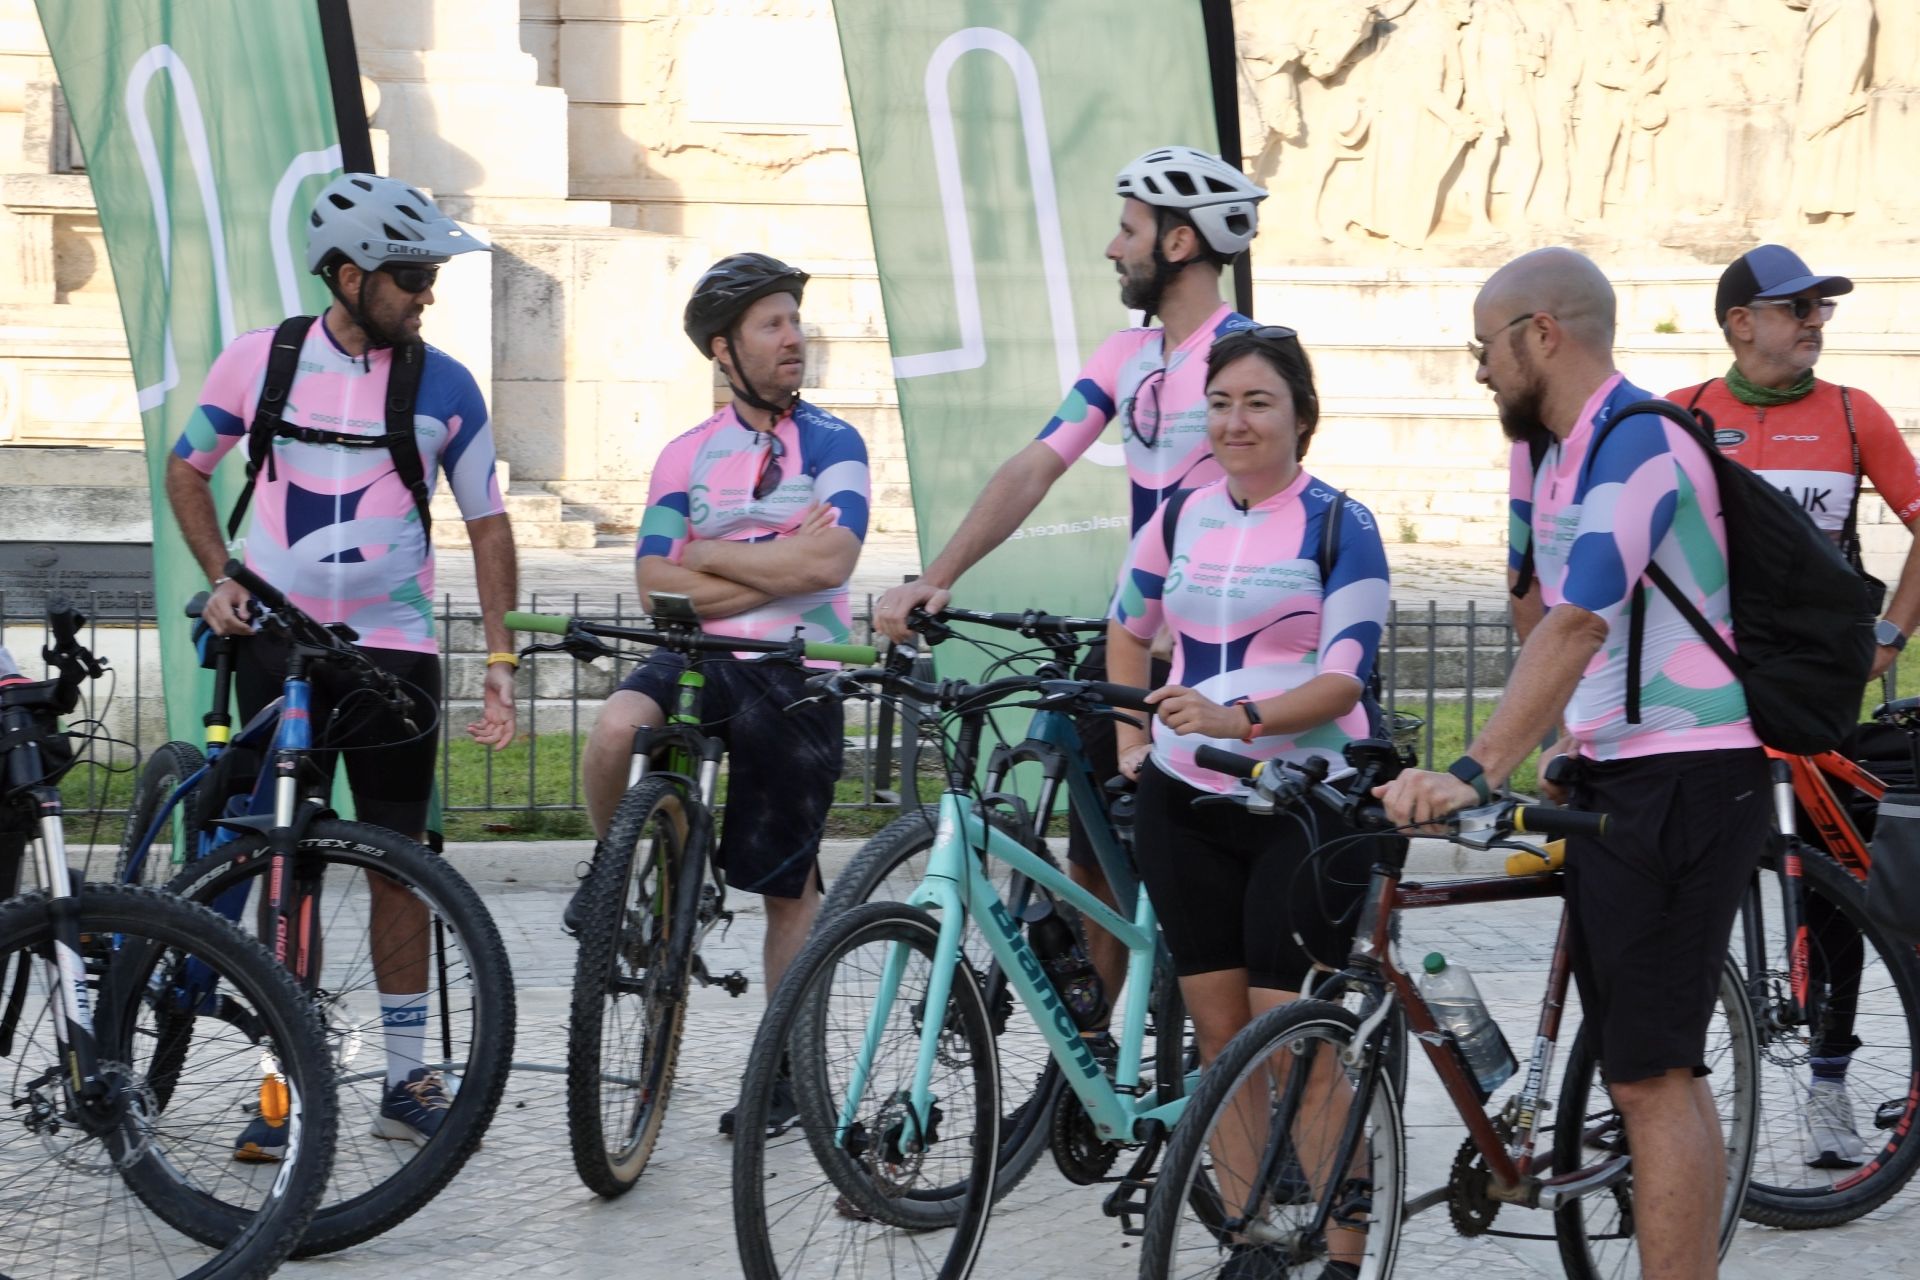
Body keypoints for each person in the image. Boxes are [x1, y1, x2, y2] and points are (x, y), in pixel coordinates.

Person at [1382, 247, 1767, 1280]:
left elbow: (1580, 621)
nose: (1479, 370)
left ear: (1541, 333)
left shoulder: (1640, 446)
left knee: (1651, 1076)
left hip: (1686, 779)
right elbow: (1576, 627)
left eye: (1486, 346)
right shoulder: (1567, 452)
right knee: (1648, 1063)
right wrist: (1566, 743)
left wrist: (1477, 765)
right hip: (1620, 773)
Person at [165, 172, 520, 1157]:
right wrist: (220, 573)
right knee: (291, 867)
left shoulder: (446, 383)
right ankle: (283, 1082)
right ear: (353, 273)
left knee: (398, 862)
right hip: (276, 647)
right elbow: (184, 470)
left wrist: (500, 656)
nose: (426, 294)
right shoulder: (259, 362)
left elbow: (489, 522)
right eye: (412, 276)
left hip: (393, 654)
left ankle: (407, 1078)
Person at [874, 145, 1270, 1012]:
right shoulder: (1126, 354)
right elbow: (1037, 465)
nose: (1110, 247)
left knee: (1191, 865)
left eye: (1127, 229)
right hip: (1135, 639)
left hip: (1218, 658)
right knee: (1085, 829)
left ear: (1177, 243)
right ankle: (1096, 1055)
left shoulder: (1244, 364)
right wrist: (936, 576)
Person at [1108, 327, 1389, 1279]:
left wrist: (1241, 719)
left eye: (1259, 402)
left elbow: (1345, 681)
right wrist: (1133, 744)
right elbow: (1126, 626)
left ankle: (1345, 1255)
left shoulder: (1339, 522)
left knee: (1294, 1045)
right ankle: (1254, 1236)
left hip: (1304, 804)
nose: (1235, 421)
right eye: (1221, 403)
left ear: (1301, 420)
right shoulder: (1181, 516)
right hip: (1184, 803)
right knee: (1223, 1040)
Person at [577, 253, 868, 1138]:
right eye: (772, 324)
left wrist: (710, 557)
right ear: (723, 349)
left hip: (798, 671)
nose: (794, 339)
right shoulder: (685, 454)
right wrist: (772, 560)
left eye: (795, 321)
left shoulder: (834, 441)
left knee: (788, 890)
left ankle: (781, 1071)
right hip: (699, 657)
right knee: (616, 729)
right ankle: (615, 876)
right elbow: (652, 584)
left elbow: (831, 562)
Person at [1670, 243, 1920, 1168]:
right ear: (1741, 323)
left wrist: (1887, 637)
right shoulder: (1688, 415)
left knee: (1834, 902)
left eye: (1822, 307)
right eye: (1796, 307)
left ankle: (1827, 1086)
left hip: (1815, 691)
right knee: (1707, 885)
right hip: (1714, 691)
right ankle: (1684, 1092)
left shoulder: (1855, 415)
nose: (1815, 321)